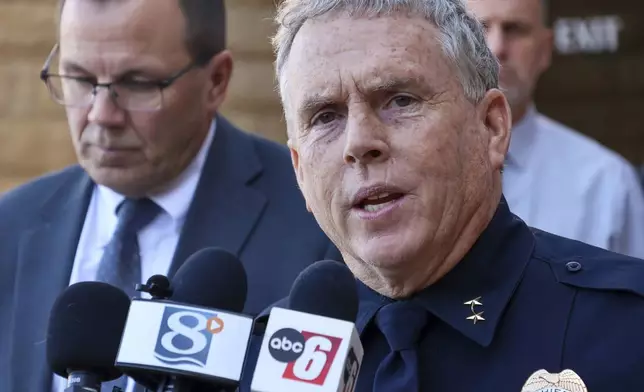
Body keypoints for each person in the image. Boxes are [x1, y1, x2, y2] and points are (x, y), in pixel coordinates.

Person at [242, 0, 644, 390]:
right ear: (299, 169)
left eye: (400, 100)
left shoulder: (627, 331)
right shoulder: (265, 363)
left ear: (491, 127)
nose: (360, 142)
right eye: (326, 116)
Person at [0, 1, 340, 391]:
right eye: (79, 79)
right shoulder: (9, 228)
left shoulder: (321, 222)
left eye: (138, 83)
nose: (100, 115)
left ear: (216, 81)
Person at [468, 0, 644, 258]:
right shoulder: (411, 170)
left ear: (545, 49)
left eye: (515, 29)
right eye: (478, 28)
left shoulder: (606, 186)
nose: (496, 48)